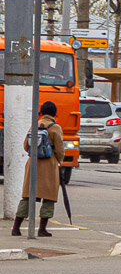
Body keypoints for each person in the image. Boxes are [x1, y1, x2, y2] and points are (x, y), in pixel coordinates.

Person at [11, 101, 66, 238]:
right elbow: (60, 149)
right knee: (49, 198)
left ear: (41, 111)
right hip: (49, 165)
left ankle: (16, 228)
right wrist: (59, 160)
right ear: (54, 113)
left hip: (33, 164)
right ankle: (42, 229)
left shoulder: (34, 126)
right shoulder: (55, 127)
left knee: (27, 196)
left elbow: (26, 146)